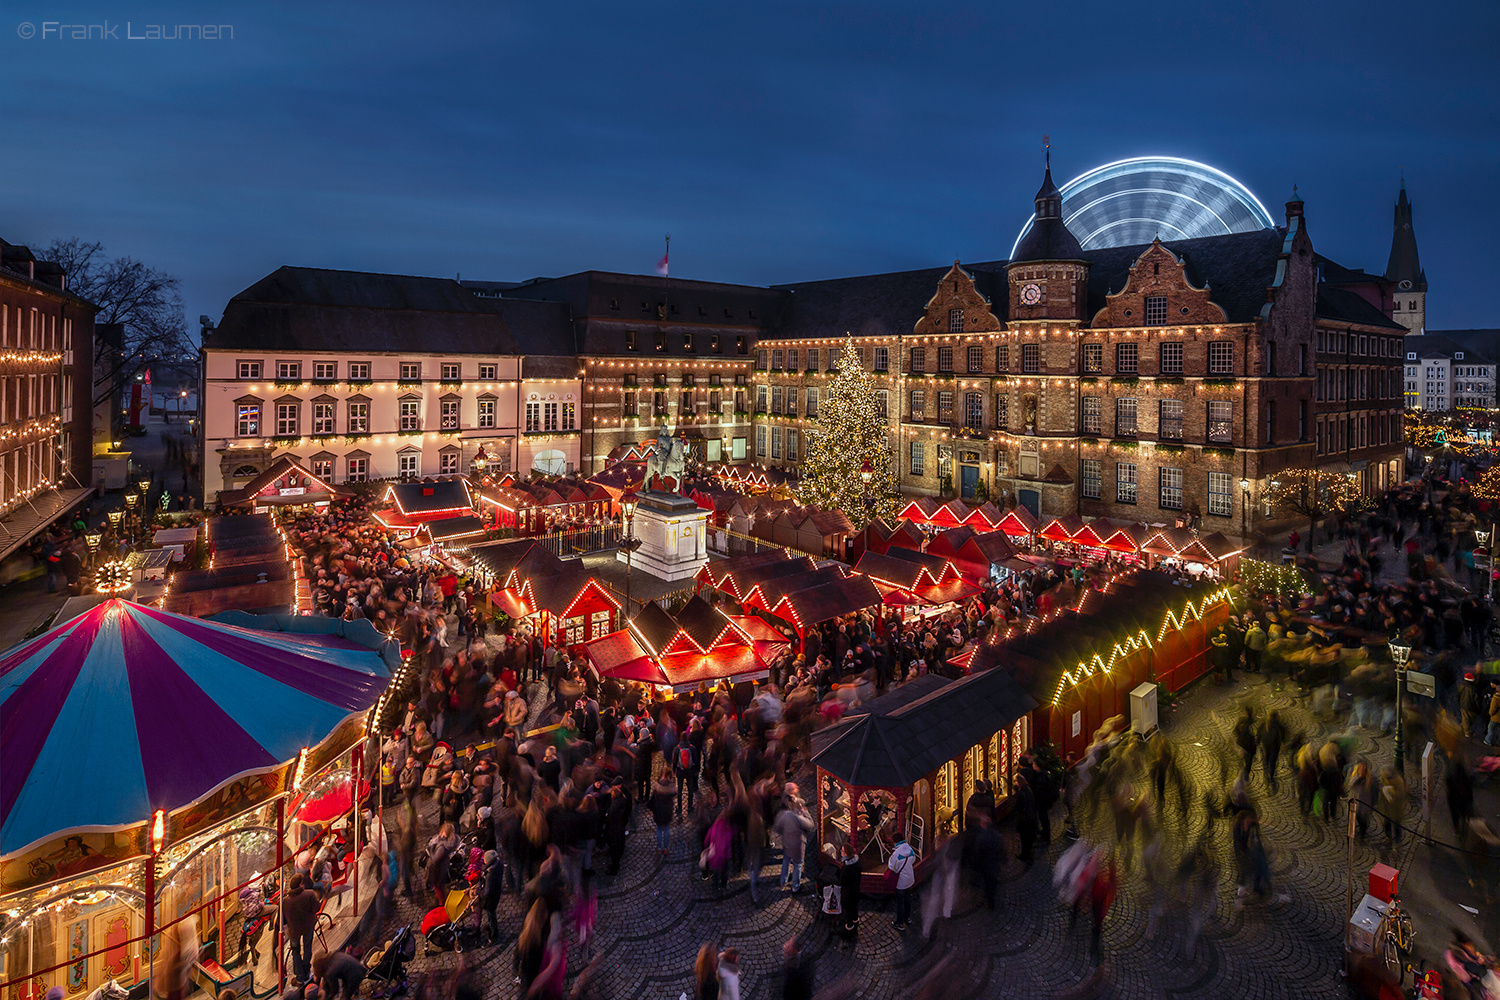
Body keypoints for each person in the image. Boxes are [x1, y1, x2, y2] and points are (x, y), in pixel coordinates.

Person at [772, 794, 814, 893]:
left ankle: (783, 882)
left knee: (785, 861)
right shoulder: (799, 818)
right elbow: (811, 825)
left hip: (787, 844)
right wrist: (806, 812)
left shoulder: (785, 815)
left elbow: (777, 827)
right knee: (798, 865)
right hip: (798, 847)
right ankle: (795, 887)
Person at [282, 874, 319, 983]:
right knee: (307, 948)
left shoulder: (285, 901)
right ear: (300, 884)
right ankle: (306, 971)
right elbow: (315, 909)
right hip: (308, 926)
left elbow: (283, 919)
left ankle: (299, 976)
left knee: (295, 951)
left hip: (294, 930)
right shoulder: (310, 894)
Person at [886, 835, 916, 931]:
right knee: (908, 899)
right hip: (909, 879)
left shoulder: (897, 854)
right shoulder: (910, 850)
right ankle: (908, 918)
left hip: (901, 882)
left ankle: (900, 923)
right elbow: (913, 860)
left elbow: (893, 868)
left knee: (900, 903)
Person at [651, 771, 676, 855]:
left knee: (658, 829)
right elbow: (675, 793)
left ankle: (659, 847)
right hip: (667, 811)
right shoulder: (671, 786)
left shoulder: (657, 786)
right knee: (666, 829)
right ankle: (665, 848)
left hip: (658, 810)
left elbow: (652, 799)